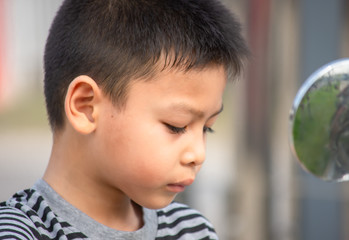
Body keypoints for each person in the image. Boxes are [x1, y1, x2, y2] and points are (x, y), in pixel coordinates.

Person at [0, 0, 248, 239]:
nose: (198, 154)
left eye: (207, 129)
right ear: (85, 106)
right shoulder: (18, 232)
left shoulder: (192, 231)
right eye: (177, 125)